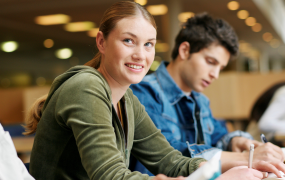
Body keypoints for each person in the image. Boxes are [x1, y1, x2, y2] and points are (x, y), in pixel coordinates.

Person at [24, 2, 283, 180]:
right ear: (102, 42)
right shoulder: (86, 86)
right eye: (129, 41)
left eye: (149, 44)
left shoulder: (126, 98)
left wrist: (244, 164)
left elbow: (170, 161)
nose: (141, 54)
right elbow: (111, 176)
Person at [130, 13, 285, 175]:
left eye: (220, 68)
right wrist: (245, 158)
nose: (215, 74)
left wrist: (236, 140)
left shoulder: (200, 100)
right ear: (184, 51)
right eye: (211, 62)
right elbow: (167, 153)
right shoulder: (143, 92)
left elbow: (219, 136)